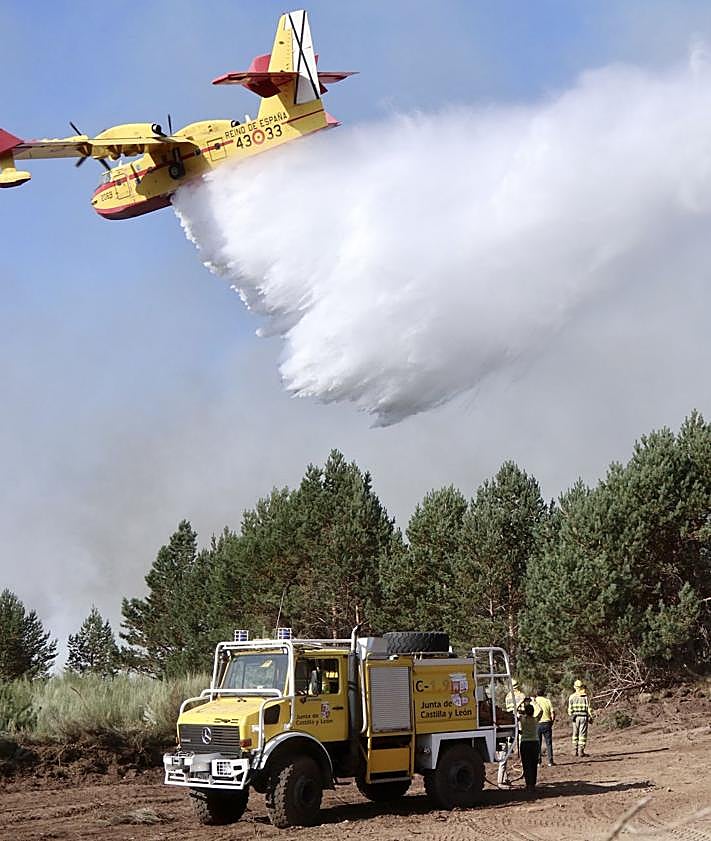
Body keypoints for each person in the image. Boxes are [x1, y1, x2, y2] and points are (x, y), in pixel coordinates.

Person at [518, 702, 541, 791]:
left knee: (526, 764)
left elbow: (516, 711)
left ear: (525, 711)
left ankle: (528, 784)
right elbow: (541, 711)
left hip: (525, 743)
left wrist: (521, 702)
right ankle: (533, 784)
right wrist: (535, 702)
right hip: (535, 743)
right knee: (533, 764)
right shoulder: (535, 720)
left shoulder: (523, 720)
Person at [568, 678, 593, 757]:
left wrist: (571, 715)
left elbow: (569, 710)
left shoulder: (571, 697)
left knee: (575, 734)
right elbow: (589, 708)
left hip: (575, 718)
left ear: (575, 687)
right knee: (582, 735)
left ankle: (574, 751)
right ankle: (581, 751)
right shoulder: (585, 697)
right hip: (584, 717)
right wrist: (591, 717)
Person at [534, 687, 556, 766]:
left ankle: (538, 762)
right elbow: (553, 713)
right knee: (548, 743)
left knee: (537, 743)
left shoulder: (534, 701)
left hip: (537, 724)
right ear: (543, 693)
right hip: (547, 723)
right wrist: (551, 722)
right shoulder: (547, 701)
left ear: (536, 694)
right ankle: (550, 761)